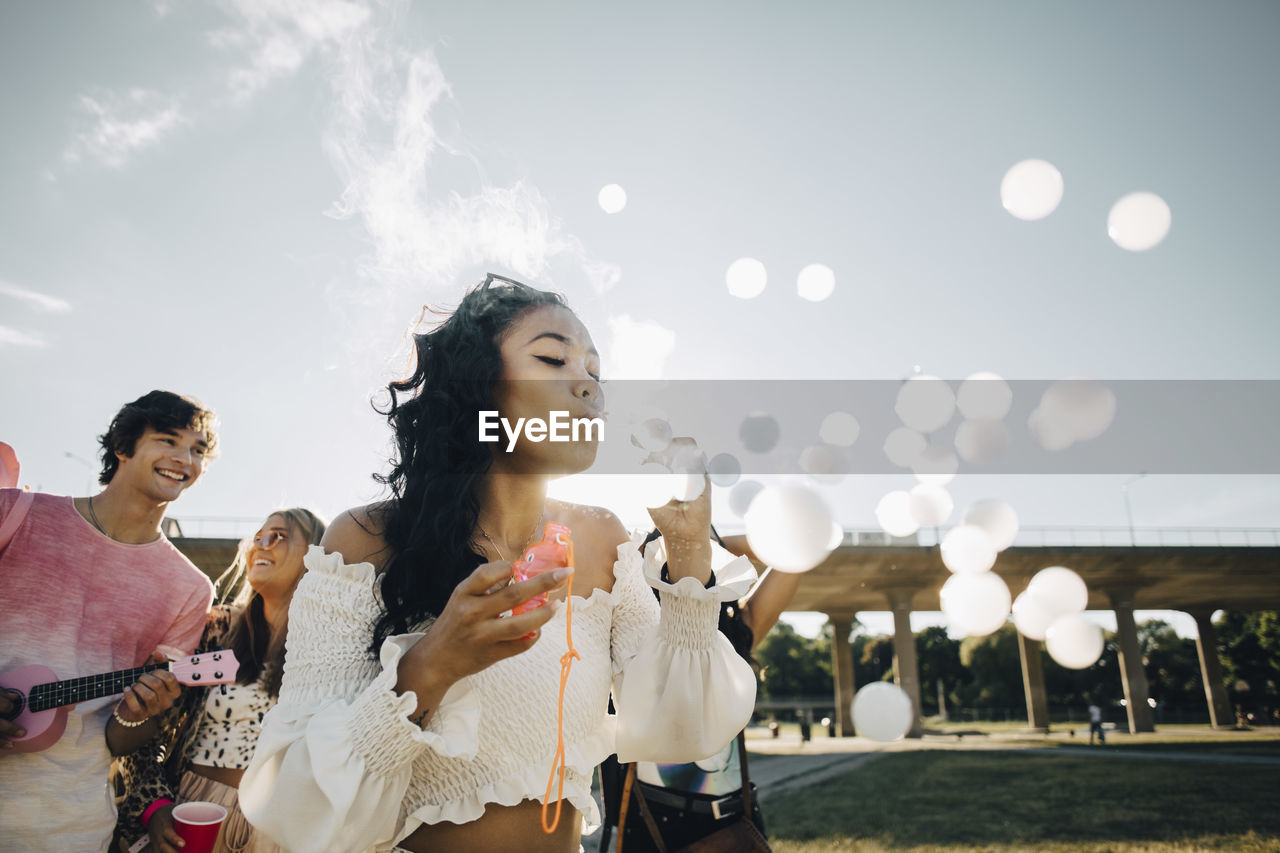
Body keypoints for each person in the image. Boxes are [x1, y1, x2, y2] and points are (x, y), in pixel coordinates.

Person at [239, 274, 758, 853]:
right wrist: (433, 664)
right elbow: (295, 808)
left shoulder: (603, 540)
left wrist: (688, 553)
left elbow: (683, 727)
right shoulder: (364, 542)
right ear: (477, 384)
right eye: (553, 358)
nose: (587, 384)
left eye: (594, 369)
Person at [0, 390, 219, 852]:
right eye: (168, 441)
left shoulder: (191, 589)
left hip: (68, 827)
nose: (185, 460)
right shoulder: (14, 514)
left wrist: (142, 715)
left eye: (198, 450)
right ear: (123, 446)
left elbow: (119, 739)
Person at [114, 507, 327, 853]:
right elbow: (146, 725)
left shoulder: (334, 650)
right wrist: (154, 807)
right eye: (257, 538)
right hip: (195, 811)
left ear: (315, 555)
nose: (261, 546)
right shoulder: (216, 629)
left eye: (278, 536)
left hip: (286, 827)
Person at [599, 530, 801, 851]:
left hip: (736, 820)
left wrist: (714, 541)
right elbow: (618, 559)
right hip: (655, 821)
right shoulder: (628, 633)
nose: (689, 552)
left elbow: (795, 549)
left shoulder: (733, 639)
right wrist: (684, 539)